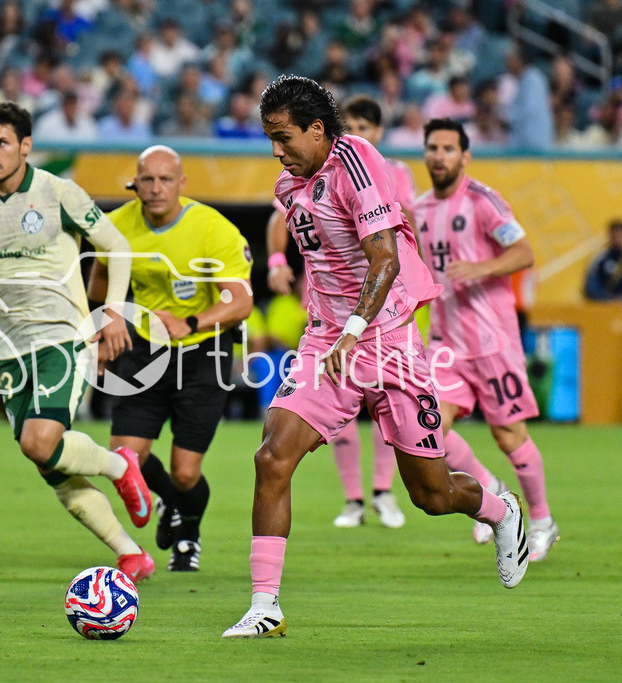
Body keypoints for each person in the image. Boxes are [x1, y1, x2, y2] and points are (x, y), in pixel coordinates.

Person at [222, 76, 528, 639]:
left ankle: (499, 509)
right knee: (272, 458)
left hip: (388, 341)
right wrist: (286, 277)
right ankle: (265, 605)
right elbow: (298, 237)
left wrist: (352, 331)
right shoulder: (290, 185)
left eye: (283, 137)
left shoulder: (357, 161)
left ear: (317, 130)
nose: (276, 150)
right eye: (269, 138)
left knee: (431, 495)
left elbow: (383, 259)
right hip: (326, 342)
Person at [0, 102, 157, 582]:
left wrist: (113, 313)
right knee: (47, 463)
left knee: (40, 441)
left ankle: (121, 467)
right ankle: (130, 553)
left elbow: (117, 246)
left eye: (1, 143)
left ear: (25, 146)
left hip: (63, 335)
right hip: (11, 347)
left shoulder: (57, 191)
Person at [87, 145, 253, 572]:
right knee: (125, 456)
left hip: (204, 351)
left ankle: (189, 535)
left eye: (165, 179)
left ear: (182, 184)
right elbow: (99, 280)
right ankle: (167, 502)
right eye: (148, 179)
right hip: (143, 349)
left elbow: (241, 302)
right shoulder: (117, 226)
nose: (156, 188)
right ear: (135, 183)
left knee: (185, 472)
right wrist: (103, 326)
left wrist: (191, 322)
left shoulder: (213, 230)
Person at [413, 118, 560, 562]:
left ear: (465, 156)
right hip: (444, 344)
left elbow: (524, 252)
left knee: (509, 435)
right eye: (432, 147)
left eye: (448, 148)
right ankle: (492, 489)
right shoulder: (418, 210)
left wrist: (479, 268)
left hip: (493, 342)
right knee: (429, 428)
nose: (439, 155)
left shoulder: (482, 200)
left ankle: (541, 521)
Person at [266, 95, 413, 529]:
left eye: (366, 127)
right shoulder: (297, 175)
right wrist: (278, 263)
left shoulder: (388, 171)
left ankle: (385, 493)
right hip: (328, 317)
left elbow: (404, 230)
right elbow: (282, 220)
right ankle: (354, 499)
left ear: (378, 133)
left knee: (390, 417)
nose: (357, 135)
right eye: (352, 126)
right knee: (320, 423)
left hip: (383, 314)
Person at [583, 219, 622, 302]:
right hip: (604, 306)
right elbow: (590, 285)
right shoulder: (600, 258)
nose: (618, 239)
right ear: (609, 236)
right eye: (615, 235)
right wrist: (608, 298)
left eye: (620, 235)